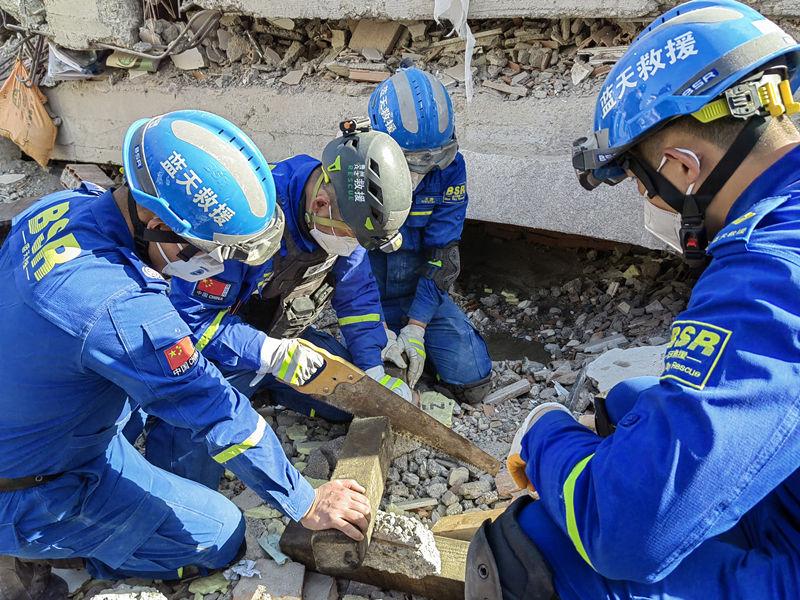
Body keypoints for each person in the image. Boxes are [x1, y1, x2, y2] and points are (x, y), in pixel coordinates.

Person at [466, 1, 800, 598]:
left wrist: (545, 437)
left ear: (683, 166)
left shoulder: (768, 275)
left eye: (645, 184)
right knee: (628, 401)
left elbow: (625, 534)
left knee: (531, 548)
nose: (654, 205)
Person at [0, 110, 371, 598]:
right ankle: (47, 549)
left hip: (42, 422)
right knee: (221, 537)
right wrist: (304, 501)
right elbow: (214, 408)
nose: (216, 265)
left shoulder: (62, 207)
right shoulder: (123, 311)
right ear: (156, 222)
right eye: (209, 249)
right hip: (35, 486)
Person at [145, 126, 414, 489]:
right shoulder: (246, 220)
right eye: (353, 239)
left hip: (282, 338)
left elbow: (358, 298)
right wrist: (267, 353)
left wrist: (372, 369)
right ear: (320, 205)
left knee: (349, 405)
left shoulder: (345, 219)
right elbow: (191, 321)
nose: (354, 248)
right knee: (187, 477)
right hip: (218, 353)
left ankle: (264, 384)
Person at [367, 67, 493, 404]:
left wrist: (416, 328)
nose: (423, 172)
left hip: (418, 293)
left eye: (435, 159)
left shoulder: (451, 170)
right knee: (377, 386)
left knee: (473, 381)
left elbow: (443, 256)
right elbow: (346, 266)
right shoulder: (354, 166)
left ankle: (420, 346)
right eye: (412, 162)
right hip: (368, 296)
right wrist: (374, 327)